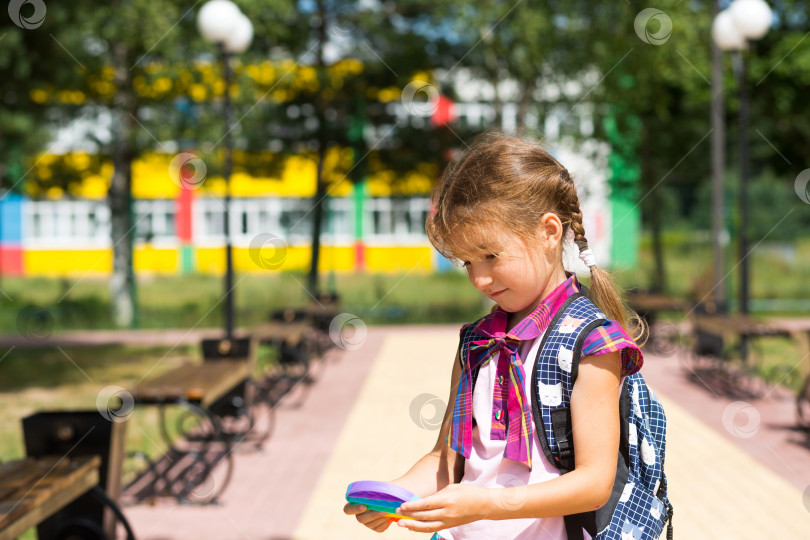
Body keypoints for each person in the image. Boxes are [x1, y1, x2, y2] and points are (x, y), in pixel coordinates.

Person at [344, 132, 645, 539]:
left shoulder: (591, 344)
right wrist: (398, 498)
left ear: (549, 232)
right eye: (467, 261)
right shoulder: (477, 342)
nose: (479, 278)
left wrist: (486, 504)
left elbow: (593, 486)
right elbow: (446, 462)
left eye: (490, 255)